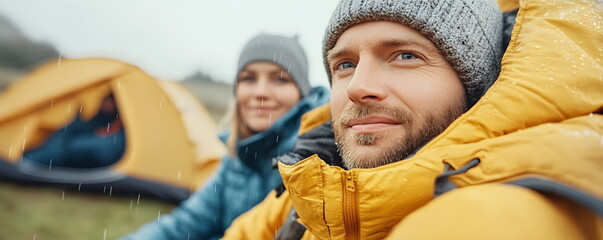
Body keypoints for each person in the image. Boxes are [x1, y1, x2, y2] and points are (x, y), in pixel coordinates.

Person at [223, 0, 603, 239]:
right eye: (345, 64)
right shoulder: (310, 192)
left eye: (405, 56)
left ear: (477, 88)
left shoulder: (513, 212)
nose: (358, 87)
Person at [121, 34, 329, 240]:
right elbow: (185, 223)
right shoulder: (237, 158)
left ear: (301, 92)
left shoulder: (315, 159)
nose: (261, 92)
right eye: (248, 78)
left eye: (280, 79)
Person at [24, 93, 125, 168]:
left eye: (110, 100)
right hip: (84, 136)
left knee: (68, 144)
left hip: (103, 145)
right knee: (64, 137)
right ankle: (31, 160)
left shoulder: (120, 129)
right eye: (106, 99)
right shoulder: (98, 115)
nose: (106, 103)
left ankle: (31, 161)